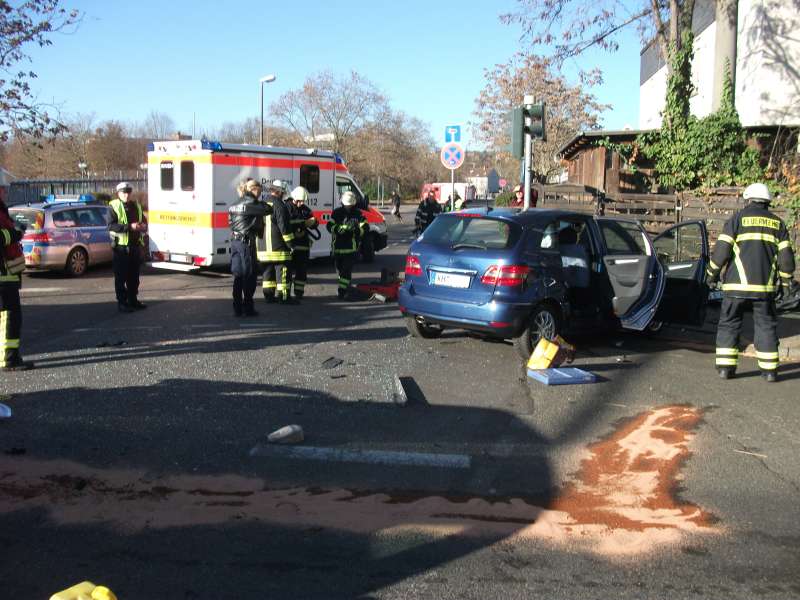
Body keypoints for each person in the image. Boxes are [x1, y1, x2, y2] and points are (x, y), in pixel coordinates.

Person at [706, 182, 796, 383]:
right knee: (765, 326)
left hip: (735, 288)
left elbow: (721, 252)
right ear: (767, 202)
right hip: (764, 290)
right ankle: (770, 372)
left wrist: (710, 275)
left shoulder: (736, 220)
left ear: (747, 199)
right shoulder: (778, 224)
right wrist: (787, 283)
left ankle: (725, 369)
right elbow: (786, 261)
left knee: (729, 324)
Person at [1, 197, 34, 371]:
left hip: (8, 273)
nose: (5, 192)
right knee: (9, 317)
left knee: (11, 317)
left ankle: (11, 357)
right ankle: (9, 359)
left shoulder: (2, 209)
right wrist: (16, 233)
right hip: (3, 274)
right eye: (2, 188)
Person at [229, 178, 269, 316]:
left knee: (238, 276)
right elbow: (267, 209)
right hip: (246, 244)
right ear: (253, 189)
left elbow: (230, 222)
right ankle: (248, 308)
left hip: (235, 242)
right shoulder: (251, 202)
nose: (261, 192)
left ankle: (237, 308)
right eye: (260, 189)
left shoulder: (234, 204)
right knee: (249, 275)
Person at [108, 182, 147, 313]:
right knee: (121, 278)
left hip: (135, 246)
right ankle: (122, 303)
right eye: (124, 192)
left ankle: (133, 300)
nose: (126, 195)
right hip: (121, 248)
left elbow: (144, 221)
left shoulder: (136, 206)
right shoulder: (114, 206)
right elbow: (111, 226)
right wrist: (130, 227)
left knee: (134, 277)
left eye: (128, 192)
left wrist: (142, 226)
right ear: (118, 193)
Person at [257, 180, 296, 304]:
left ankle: (268, 296)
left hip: (263, 249)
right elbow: (284, 229)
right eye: (283, 192)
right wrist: (291, 245)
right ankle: (284, 298)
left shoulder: (261, 203)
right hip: (278, 249)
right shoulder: (280, 205)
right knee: (283, 273)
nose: (284, 194)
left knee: (267, 274)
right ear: (279, 192)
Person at [327, 191, 367, 300]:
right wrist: (337, 229)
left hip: (351, 249)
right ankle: (345, 286)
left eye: (349, 205)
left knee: (346, 271)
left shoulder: (358, 214)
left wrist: (356, 230)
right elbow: (329, 225)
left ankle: (342, 290)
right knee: (340, 271)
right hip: (338, 248)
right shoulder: (336, 213)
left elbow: (365, 227)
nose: (348, 207)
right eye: (346, 205)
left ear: (353, 204)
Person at [288, 185, 317, 301]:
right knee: (288, 271)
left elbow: (313, 222)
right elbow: (287, 224)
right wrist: (303, 223)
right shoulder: (287, 208)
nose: (301, 204)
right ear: (294, 198)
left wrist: (314, 223)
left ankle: (299, 292)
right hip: (291, 245)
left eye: (303, 201)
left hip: (303, 246)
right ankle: (286, 293)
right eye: (299, 201)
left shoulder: (306, 209)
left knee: (302, 271)